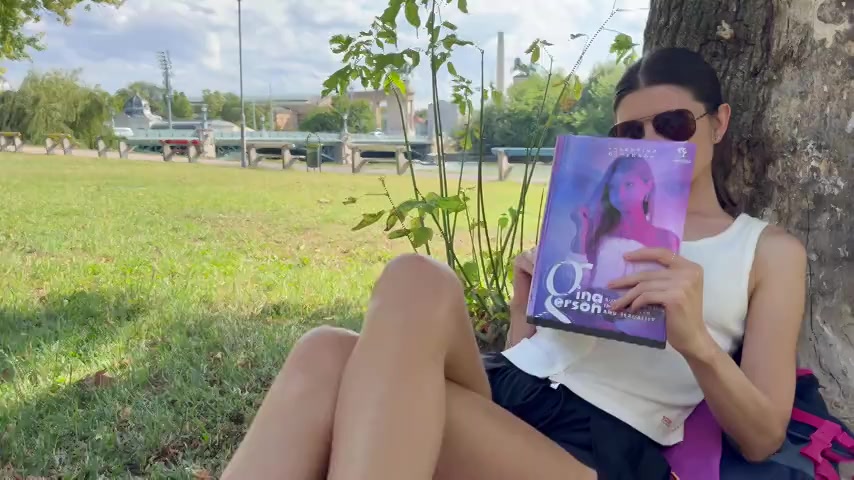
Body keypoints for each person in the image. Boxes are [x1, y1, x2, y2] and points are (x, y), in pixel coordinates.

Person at [221, 47, 807, 480]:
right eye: (632, 131)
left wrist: (697, 342)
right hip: (509, 393)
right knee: (361, 319)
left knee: (342, 366)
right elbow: (529, 355)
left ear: (718, 122)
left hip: (599, 444)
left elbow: (762, 437)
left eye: (673, 125)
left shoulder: (766, 252)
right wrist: (525, 309)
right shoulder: (595, 218)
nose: (652, 144)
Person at [572, 154, 679, 289]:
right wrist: (581, 232)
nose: (620, 194)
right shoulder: (597, 234)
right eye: (613, 187)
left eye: (629, 184)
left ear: (648, 186)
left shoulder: (667, 239)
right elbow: (576, 284)